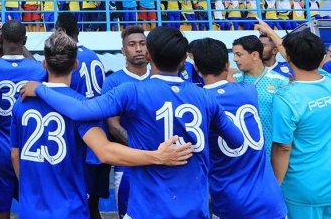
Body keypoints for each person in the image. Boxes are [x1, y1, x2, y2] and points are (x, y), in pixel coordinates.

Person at [21, 27, 245, 219]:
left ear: (148, 55)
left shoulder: (133, 91)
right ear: (183, 60)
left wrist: (40, 88)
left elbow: (82, 110)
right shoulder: (205, 97)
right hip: (194, 207)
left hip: (147, 208)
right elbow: (236, 141)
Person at [191, 38, 287, 219]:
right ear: (227, 65)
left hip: (232, 202)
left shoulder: (198, 101)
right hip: (269, 198)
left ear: (196, 67)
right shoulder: (248, 90)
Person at [0, 20, 46, 219]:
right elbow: (34, 63)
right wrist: (20, 43)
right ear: (24, 41)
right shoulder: (38, 70)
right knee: (34, 212)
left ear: (0, 40)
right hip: (29, 154)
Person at [272, 31, 331, 219]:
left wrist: (274, 185)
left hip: (304, 186)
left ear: (287, 57)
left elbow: (282, 147)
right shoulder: (328, 81)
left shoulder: (286, 98)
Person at [55, 12, 108, 218]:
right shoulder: (94, 56)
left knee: (78, 206)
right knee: (92, 207)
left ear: (60, 31)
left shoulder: (66, 59)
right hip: (99, 136)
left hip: (78, 141)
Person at [101, 25, 150, 217]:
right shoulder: (113, 82)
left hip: (160, 163)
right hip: (128, 164)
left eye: (142, 44)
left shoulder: (158, 77)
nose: (138, 49)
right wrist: (146, 153)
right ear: (123, 50)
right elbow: (114, 127)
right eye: (132, 44)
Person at [232, 35, 289, 156]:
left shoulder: (280, 82)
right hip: (243, 155)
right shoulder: (233, 82)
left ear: (254, 55)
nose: (235, 59)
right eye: (234, 55)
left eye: (239, 54)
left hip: (270, 153)